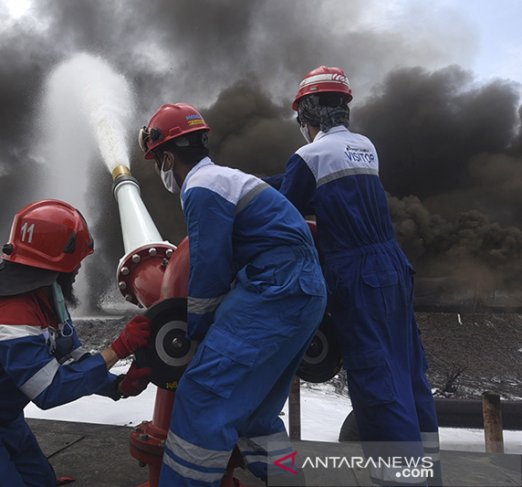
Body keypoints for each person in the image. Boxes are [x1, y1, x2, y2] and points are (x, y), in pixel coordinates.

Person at [265, 66, 441, 485]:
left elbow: (283, 207)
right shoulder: (365, 147)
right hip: (393, 268)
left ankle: (400, 479)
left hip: (358, 275)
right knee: (407, 370)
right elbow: (327, 188)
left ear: (306, 116)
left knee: (377, 378)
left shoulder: (310, 156)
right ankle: (427, 471)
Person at [138, 103, 327, 486]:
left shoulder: (202, 188)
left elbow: (209, 266)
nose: (162, 169)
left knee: (203, 395)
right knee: (256, 412)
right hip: (303, 291)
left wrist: (194, 329)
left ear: (169, 156)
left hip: (274, 290)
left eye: (159, 160)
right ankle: (291, 480)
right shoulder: (228, 178)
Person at [0, 199, 152, 487]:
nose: (79, 270)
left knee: (41, 482)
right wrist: (117, 349)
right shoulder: (12, 312)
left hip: (0, 419)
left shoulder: (48, 300)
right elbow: (48, 390)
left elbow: (72, 357)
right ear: (59, 264)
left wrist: (115, 385)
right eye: (78, 263)